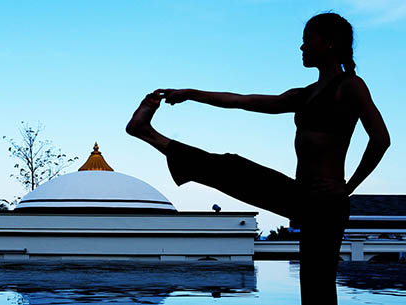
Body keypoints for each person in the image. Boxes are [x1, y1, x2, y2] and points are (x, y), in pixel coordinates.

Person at [126, 12, 390, 305]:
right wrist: (192, 93)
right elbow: (244, 100)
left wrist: (348, 186)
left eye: (307, 41)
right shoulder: (305, 94)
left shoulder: (350, 86)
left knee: (318, 286)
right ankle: (146, 132)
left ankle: (146, 132)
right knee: (230, 166)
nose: (301, 48)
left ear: (328, 43)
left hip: (327, 203)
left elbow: (380, 139)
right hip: (302, 195)